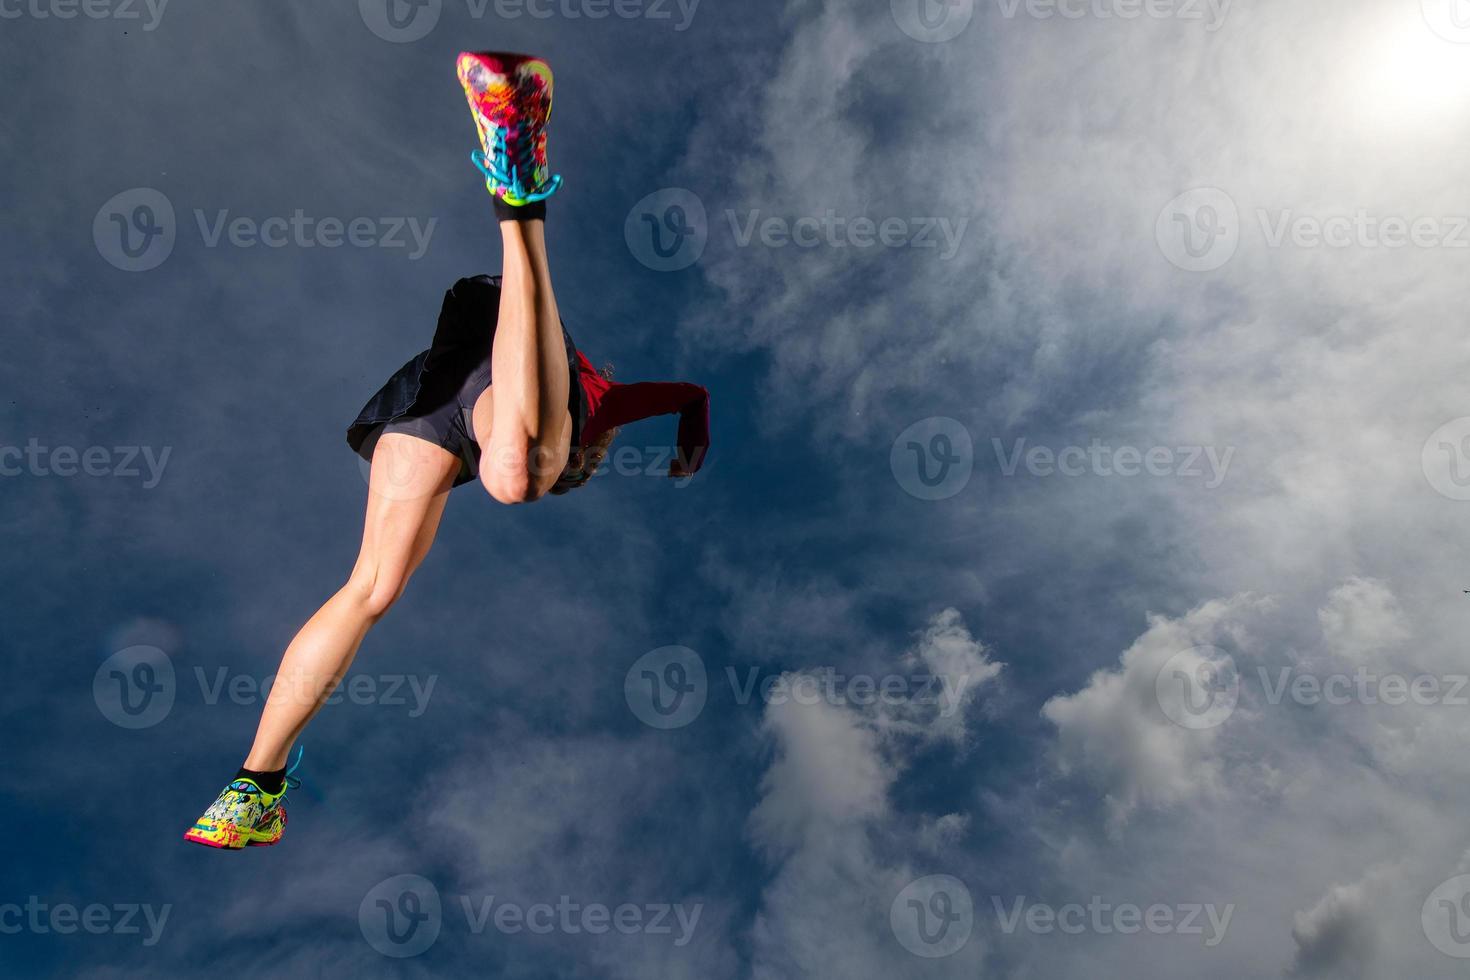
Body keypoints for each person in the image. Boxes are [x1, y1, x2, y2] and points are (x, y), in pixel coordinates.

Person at [183, 52, 710, 849]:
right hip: (502, 360)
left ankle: (256, 784)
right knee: (516, 480)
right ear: (584, 450)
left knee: (371, 587)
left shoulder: (536, 433)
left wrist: (689, 441)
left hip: (429, 407)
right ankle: (520, 198)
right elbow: (685, 397)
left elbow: (695, 399)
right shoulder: (593, 413)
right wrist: (683, 444)